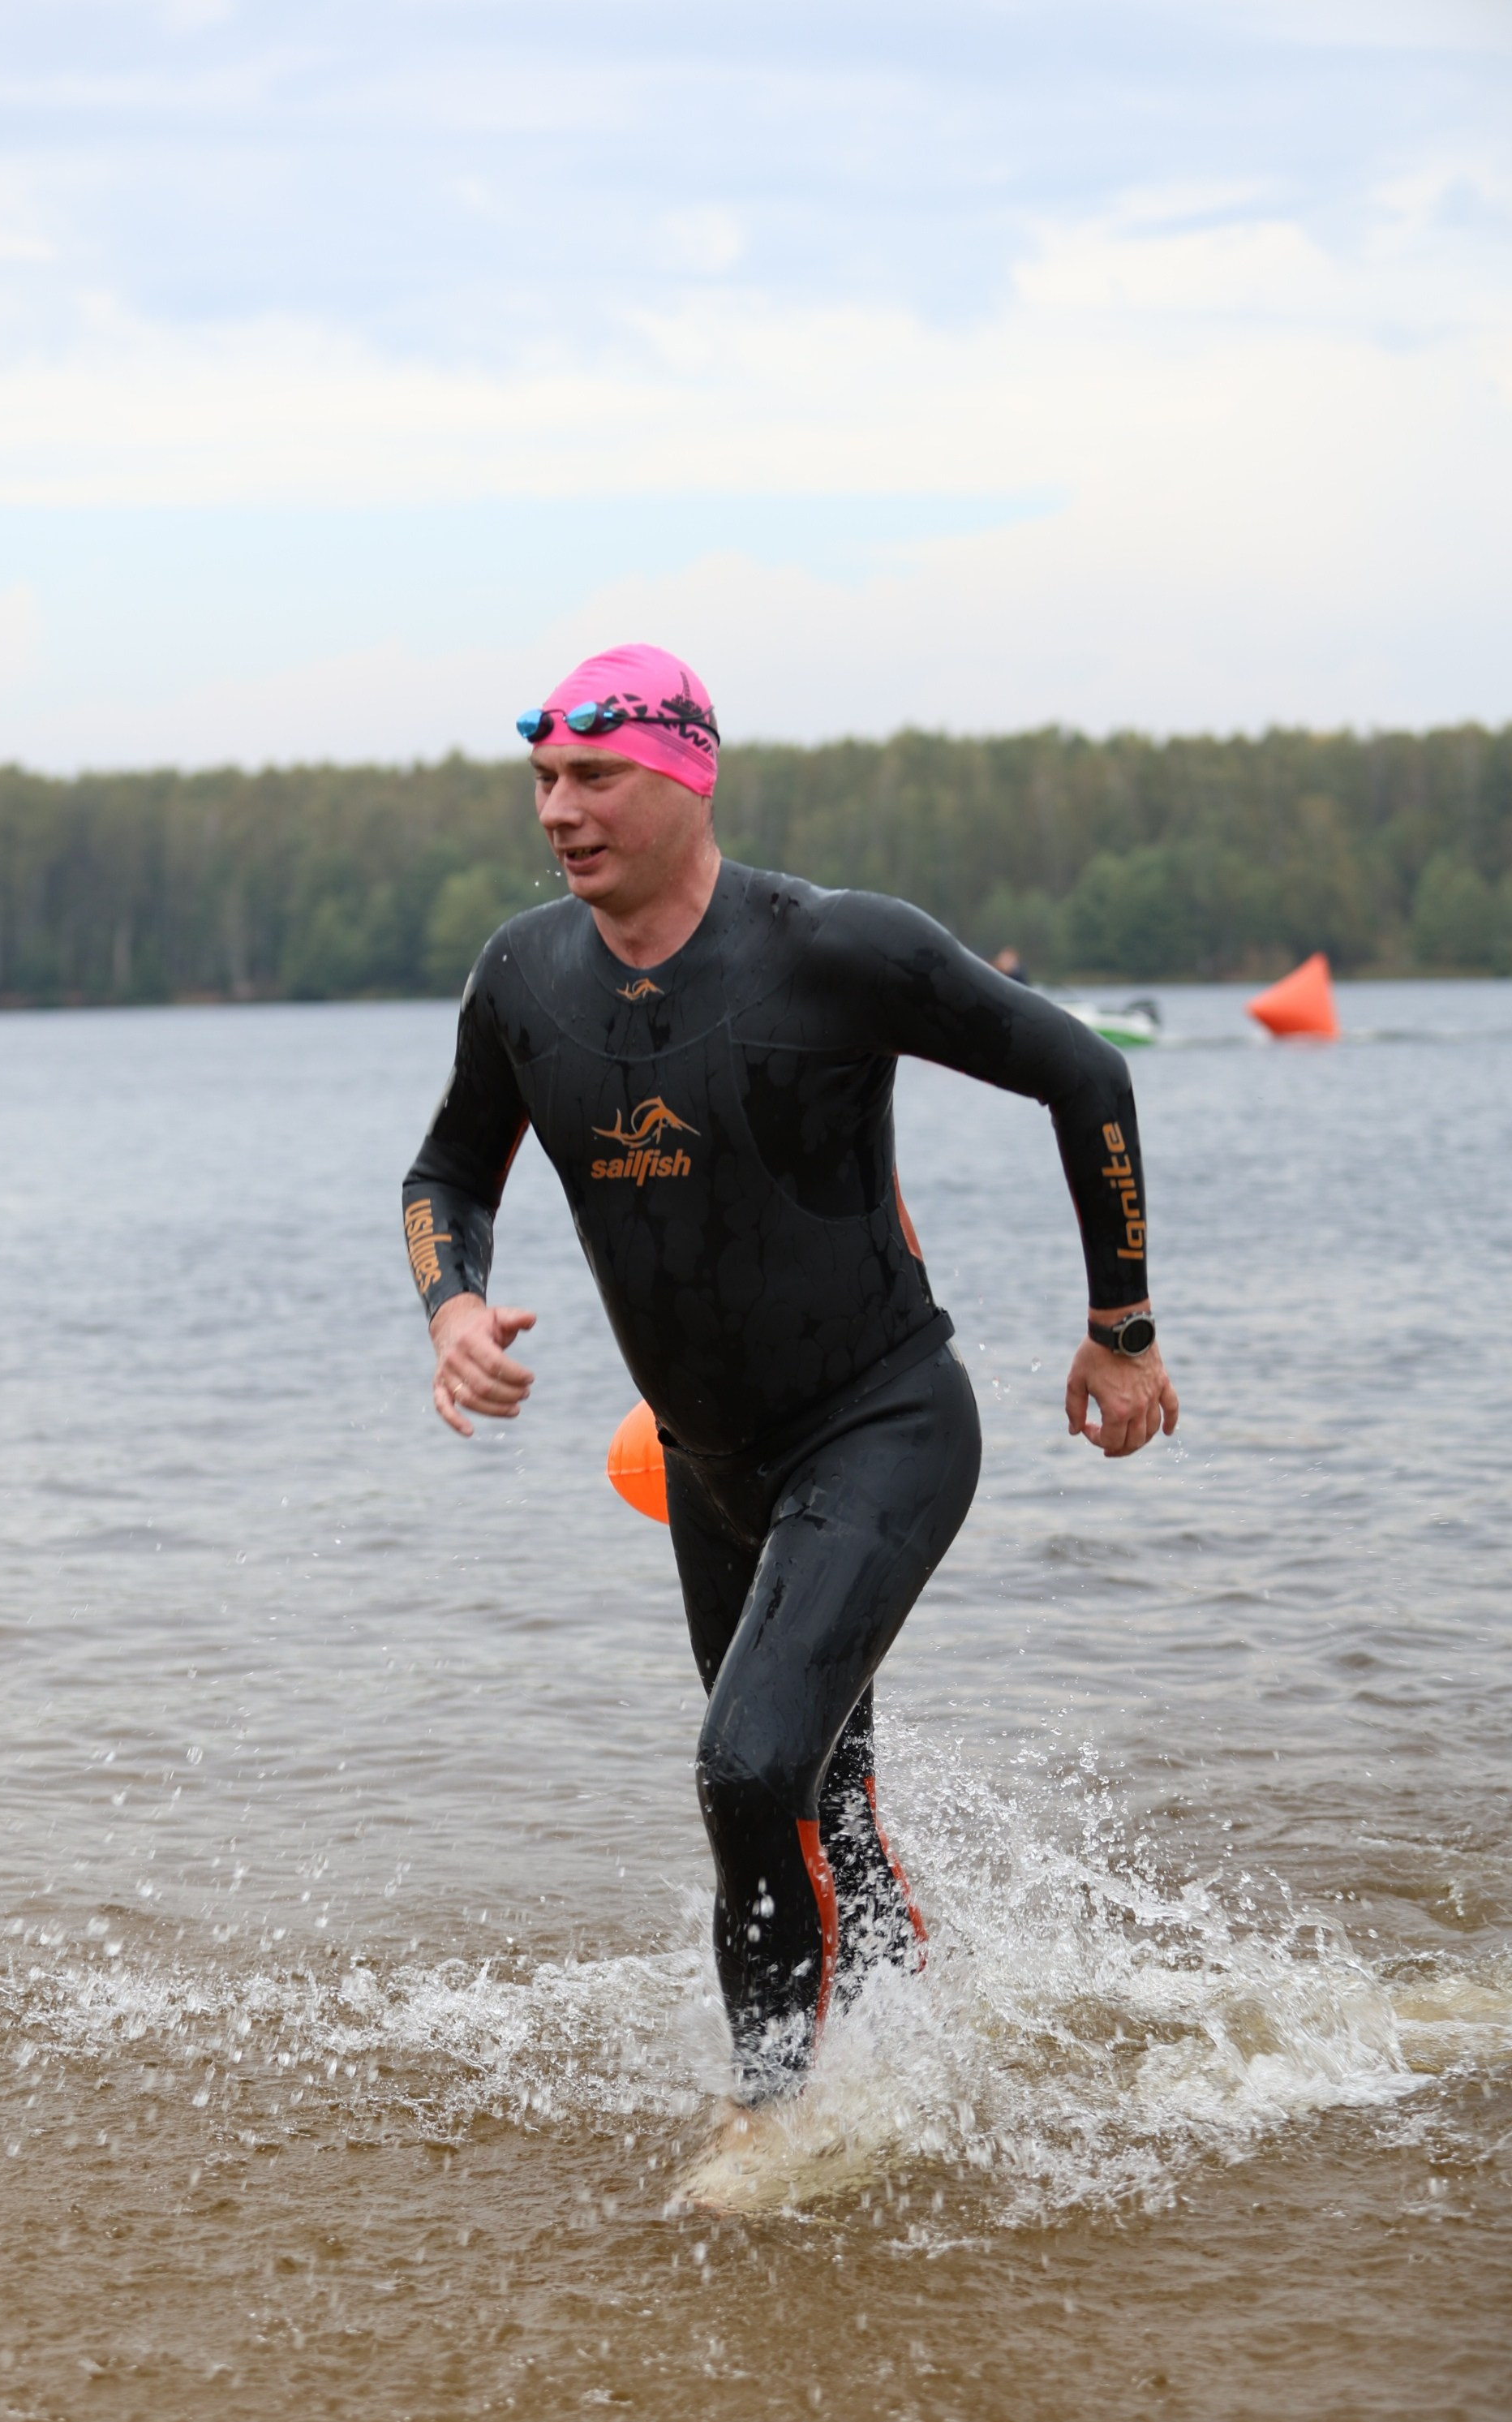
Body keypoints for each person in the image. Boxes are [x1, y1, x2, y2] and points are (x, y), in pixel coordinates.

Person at [402, 643, 1178, 2105]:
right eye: (544, 780)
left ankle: (774, 2124)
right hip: (710, 1467)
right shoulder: (522, 976)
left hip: (883, 1425)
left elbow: (1087, 1075)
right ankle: (904, 2065)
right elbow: (446, 1172)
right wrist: (453, 1306)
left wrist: (1121, 1329)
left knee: (747, 1770)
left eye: (594, 777)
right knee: (813, 1789)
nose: (559, 811)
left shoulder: (836, 949)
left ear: (689, 778)